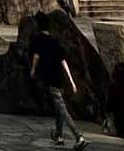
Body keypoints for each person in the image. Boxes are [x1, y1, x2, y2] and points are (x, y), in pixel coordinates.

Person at [29, 11, 88, 150]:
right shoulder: (55, 41)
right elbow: (63, 62)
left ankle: (78, 136)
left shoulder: (38, 39)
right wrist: (71, 81)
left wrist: (33, 70)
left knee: (62, 108)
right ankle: (59, 136)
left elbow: (36, 56)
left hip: (50, 79)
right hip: (60, 78)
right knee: (58, 108)